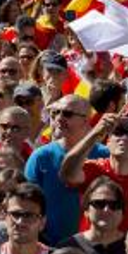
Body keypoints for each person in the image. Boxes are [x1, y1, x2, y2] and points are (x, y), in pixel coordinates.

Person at [26, 94, 105, 245]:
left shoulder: (104, 154)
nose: (59, 118)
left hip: (94, 245)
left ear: (86, 119)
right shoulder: (41, 156)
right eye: (56, 113)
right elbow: (27, 201)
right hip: (48, 245)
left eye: (67, 114)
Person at [56, 177, 128, 254]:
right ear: (86, 211)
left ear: (122, 213)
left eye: (114, 205)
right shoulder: (67, 249)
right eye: (99, 204)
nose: (106, 210)